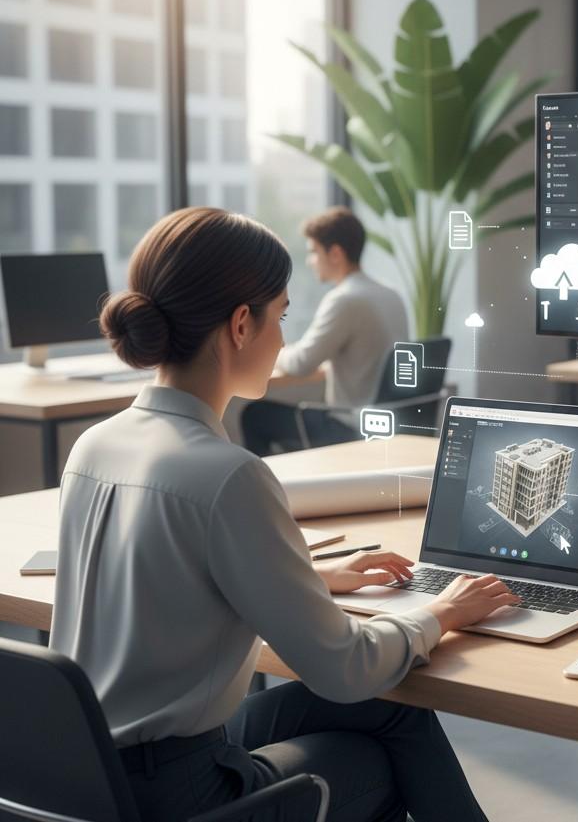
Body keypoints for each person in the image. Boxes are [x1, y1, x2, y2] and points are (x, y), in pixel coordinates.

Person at [49, 207, 517, 822]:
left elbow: (171, 585)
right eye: (283, 317)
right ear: (242, 324)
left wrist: (314, 579)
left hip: (94, 771)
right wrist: (442, 612)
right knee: (376, 756)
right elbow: (346, 669)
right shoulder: (229, 475)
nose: (282, 341)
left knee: (392, 709)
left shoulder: (95, 446)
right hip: (183, 793)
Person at [241, 207, 408, 456]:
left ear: (336, 253)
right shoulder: (391, 294)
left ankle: (272, 492)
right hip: (389, 424)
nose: (310, 261)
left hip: (351, 428)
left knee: (255, 416)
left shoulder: (345, 299)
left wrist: (272, 349)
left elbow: (301, 364)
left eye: (313, 252)